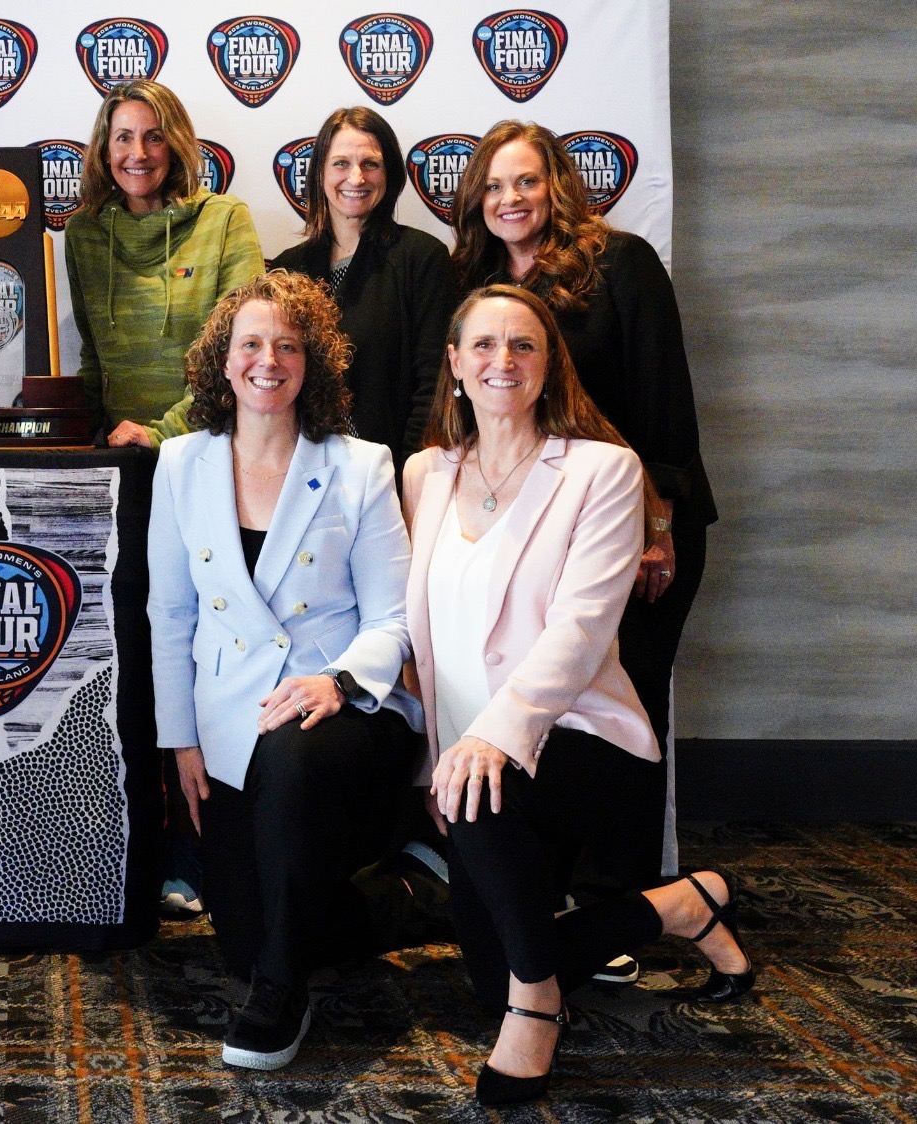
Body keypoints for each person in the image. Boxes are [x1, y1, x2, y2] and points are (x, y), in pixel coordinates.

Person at [403, 285, 754, 1106]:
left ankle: (537, 1010)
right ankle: (675, 906)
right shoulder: (425, 473)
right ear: (453, 365)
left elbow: (581, 630)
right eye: (482, 345)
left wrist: (492, 737)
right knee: (488, 974)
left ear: (549, 364)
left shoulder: (603, 469)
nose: (502, 361)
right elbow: (418, 633)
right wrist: (437, 764)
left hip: (583, 738)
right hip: (465, 763)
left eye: (523, 345)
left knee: (518, 973)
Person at [147, 271, 422, 1071]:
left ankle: (279, 999)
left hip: (342, 709)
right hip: (227, 720)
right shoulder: (180, 464)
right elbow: (171, 616)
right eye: (251, 345)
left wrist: (335, 682)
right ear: (222, 363)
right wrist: (182, 743)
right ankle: (411, 898)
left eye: (288, 346)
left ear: (315, 364)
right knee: (244, 935)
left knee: (291, 761)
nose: (269, 361)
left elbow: (394, 619)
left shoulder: (359, 465)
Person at [451, 121, 714, 866]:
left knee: (621, 708)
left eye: (526, 181)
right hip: (538, 533)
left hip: (638, 528)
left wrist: (654, 527)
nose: (511, 199)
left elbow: (667, 405)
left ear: (557, 186)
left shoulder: (620, 263)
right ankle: (554, 885)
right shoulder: (479, 285)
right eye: (495, 186)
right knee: (549, 699)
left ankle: (626, 896)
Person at [67, 79, 265, 448]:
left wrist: (163, 434)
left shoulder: (224, 220)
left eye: (154, 137)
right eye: (123, 137)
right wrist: (81, 445)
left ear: (174, 145)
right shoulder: (85, 233)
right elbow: (93, 358)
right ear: (105, 149)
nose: (137, 153)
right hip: (119, 448)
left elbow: (244, 351)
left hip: (208, 444)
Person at [271, 106, 458, 466]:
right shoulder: (286, 269)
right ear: (320, 173)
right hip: (300, 472)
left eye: (370, 164)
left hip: (392, 472)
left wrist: (408, 475)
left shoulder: (421, 258)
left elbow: (434, 386)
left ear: (389, 175)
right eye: (341, 163)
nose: (356, 178)